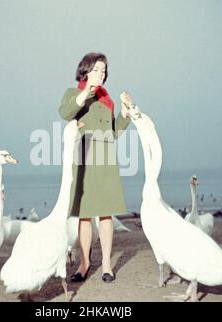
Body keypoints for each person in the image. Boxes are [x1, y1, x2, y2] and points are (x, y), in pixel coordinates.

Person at [59, 52, 133, 283]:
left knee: (105, 214)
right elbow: (64, 113)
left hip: (106, 162)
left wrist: (125, 112)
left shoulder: (107, 101)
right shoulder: (73, 94)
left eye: (103, 71)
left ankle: (107, 264)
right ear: (86, 70)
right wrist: (86, 92)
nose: (101, 74)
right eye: (97, 70)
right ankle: (84, 262)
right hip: (83, 160)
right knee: (84, 216)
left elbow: (114, 133)